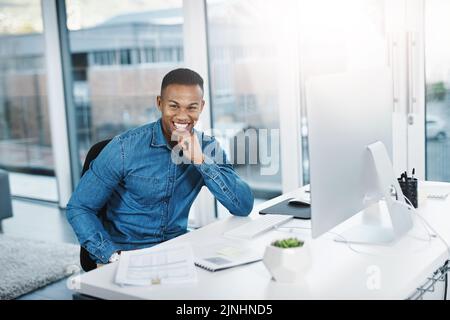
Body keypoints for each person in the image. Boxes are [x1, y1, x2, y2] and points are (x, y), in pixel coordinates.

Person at [66, 68, 254, 266]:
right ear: (159, 103)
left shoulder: (207, 148)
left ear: (202, 106)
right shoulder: (124, 148)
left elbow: (243, 206)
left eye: (192, 107)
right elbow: (79, 207)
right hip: (126, 253)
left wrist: (201, 161)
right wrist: (111, 256)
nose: (183, 116)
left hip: (177, 250)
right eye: (174, 106)